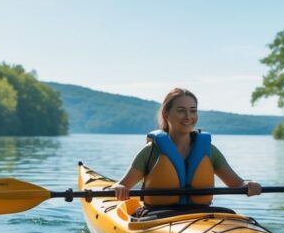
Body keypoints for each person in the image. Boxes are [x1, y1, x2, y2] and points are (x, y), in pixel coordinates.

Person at [111, 88, 262, 215]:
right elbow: (122, 185)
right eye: (181, 111)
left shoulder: (209, 150)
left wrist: (249, 185)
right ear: (166, 114)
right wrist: (119, 189)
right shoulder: (151, 151)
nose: (188, 117)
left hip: (200, 216)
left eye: (193, 111)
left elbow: (237, 184)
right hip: (156, 218)